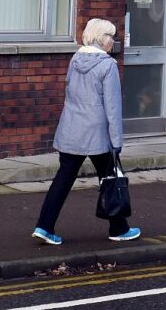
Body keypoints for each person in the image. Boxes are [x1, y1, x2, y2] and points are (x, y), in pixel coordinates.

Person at [32, 18, 142, 245]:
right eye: (111, 36)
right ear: (101, 39)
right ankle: (119, 229)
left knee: (62, 180)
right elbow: (112, 106)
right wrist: (116, 141)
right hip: (97, 133)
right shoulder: (108, 65)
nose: (113, 41)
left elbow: (69, 92)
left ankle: (44, 227)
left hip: (72, 128)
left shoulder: (75, 59)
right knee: (110, 179)